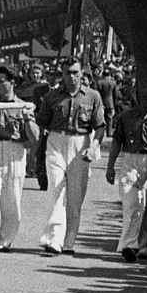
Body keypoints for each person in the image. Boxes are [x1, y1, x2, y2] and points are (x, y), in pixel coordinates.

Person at [35, 58, 106, 255]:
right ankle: (54, 239)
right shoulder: (51, 97)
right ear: (62, 74)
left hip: (81, 144)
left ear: (82, 73)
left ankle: (69, 242)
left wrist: (94, 145)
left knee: (75, 197)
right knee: (57, 189)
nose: (72, 77)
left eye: (75, 72)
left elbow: (100, 127)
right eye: (68, 72)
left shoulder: (92, 96)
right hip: (57, 142)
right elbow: (42, 123)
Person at [0, 66, 40, 254]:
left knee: (11, 199)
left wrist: (28, 120)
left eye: (0, 81)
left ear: (12, 82)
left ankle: (6, 239)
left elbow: (34, 138)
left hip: (15, 151)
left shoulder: (22, 105)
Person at [104, 93, 147, 262]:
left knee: (146, 205)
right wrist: (110, 167)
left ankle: (144, 244)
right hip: (130, 160)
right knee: (131, 202)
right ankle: (128, 245)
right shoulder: (126, 117)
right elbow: (117, 142)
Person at [16, 63, 51, 187]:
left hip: (42, 119)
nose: (35, 75)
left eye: (38, 72)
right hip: (29, 117)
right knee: (29, 144)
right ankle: (30, 167)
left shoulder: (46, 87)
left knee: (38, 144)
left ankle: (35, 168)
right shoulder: (24, 87)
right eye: (33, 73)